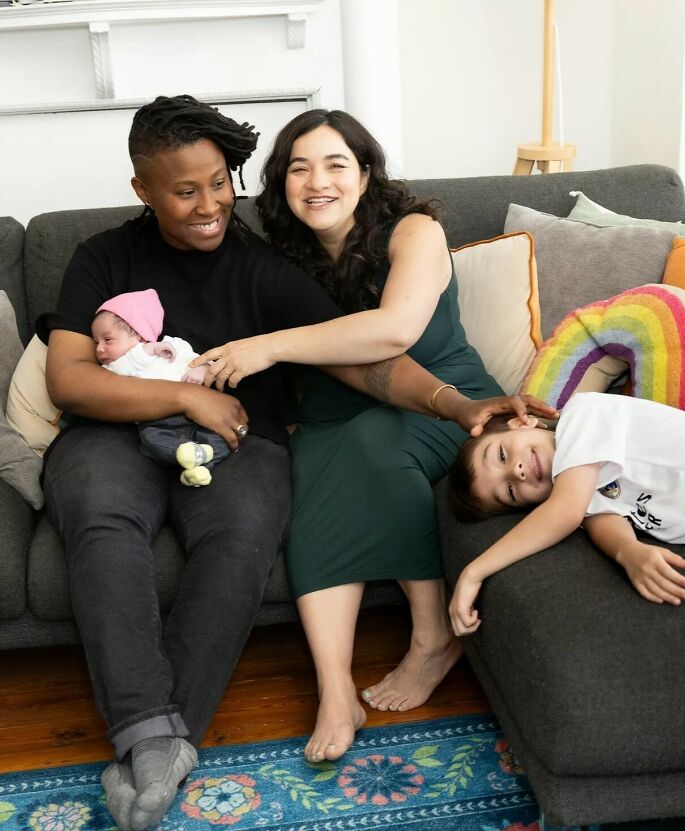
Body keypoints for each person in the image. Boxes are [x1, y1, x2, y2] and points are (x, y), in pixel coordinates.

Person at [41, 95, 551, 831]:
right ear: (142, 190)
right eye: (184, 191)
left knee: (245, 534)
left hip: (242, 440)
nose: (210, 204)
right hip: (109, 435)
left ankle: (150, 743)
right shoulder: (102, 256)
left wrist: (454, 403)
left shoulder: (269, 271)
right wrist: (186, 401)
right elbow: (70, 380)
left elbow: (369, 365)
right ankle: (158, 739)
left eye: (220, 182)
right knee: (101, 517)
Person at [190, 108, 557, 764]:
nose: (317, 181)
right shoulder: (280, 257)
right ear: (280, 184)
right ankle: (335, 690)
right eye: (299, 167)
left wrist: (269, 346)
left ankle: (432, 636)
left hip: (442, 402)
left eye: (336, 164)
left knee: (374, 449)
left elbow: (393, 331)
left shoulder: (414, 231)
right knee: (310, 489)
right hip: (332, 411)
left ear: (365, 174)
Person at [448, 391, 685, 638]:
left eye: (501, 455)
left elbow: (566, 512)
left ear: (521, 423)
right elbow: (601, 521)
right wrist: (629, 550)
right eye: (510, 491)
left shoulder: (583, 414)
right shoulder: (579, 492)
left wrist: (474, 572)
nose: (517, 471)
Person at [93, 288, 231, 486]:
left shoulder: (175, 345)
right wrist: (150, 349)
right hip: (157, 422)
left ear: (140, 334)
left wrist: (200, 370)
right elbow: (134, 362)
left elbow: (201, 362)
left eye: (108, 339)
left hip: (197, 416)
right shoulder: (114, 367)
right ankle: (185, 456)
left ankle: (199, 468)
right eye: (96, 341)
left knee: (221, 438)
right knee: (151, 442)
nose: (99, 348)